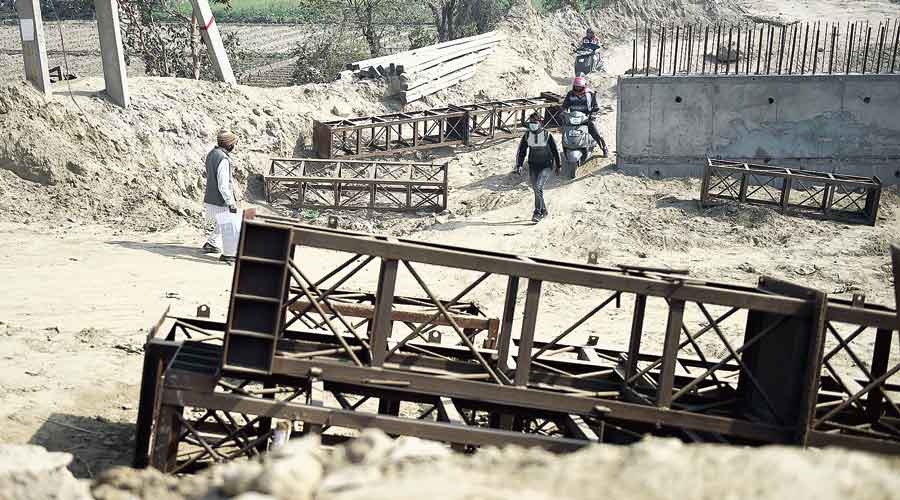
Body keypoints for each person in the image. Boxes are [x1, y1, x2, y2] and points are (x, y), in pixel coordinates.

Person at [515, 112, 561, 223]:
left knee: (539, 186)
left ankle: (537, 212)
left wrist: (559, 165)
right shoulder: (527, 135)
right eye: (530, 122)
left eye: (534, 122)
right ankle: (544, 210)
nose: (532, 124)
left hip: (546, 165)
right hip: (533, 165)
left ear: (540, 122)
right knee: (536, 188)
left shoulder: (547, 135)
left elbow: (555, 151)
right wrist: (519, 165)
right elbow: (521, 151)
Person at [202, 129, 239, 263]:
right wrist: (231, 202)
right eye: (234, 143)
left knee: (221, 222)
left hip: (210, 197)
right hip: (220, 199)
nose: (234, 146)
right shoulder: (223, 159)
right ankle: (229, 254)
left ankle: (211, 244)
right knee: (230, 225)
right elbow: (223, 185)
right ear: (229, 144)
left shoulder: (211, 154)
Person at [562, 76, 609, 157]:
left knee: (595, 132)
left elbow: (595, 107)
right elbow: (564, 106)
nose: (577, 88)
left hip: (586, 118)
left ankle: (604, 148)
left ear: (583, 86)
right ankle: (566, 150)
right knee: (565, 133)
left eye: (579, 87)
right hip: (573, 118)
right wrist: (564, 113)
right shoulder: (570, 94)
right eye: (576, 86)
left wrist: (592, 115)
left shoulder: (590, 93)